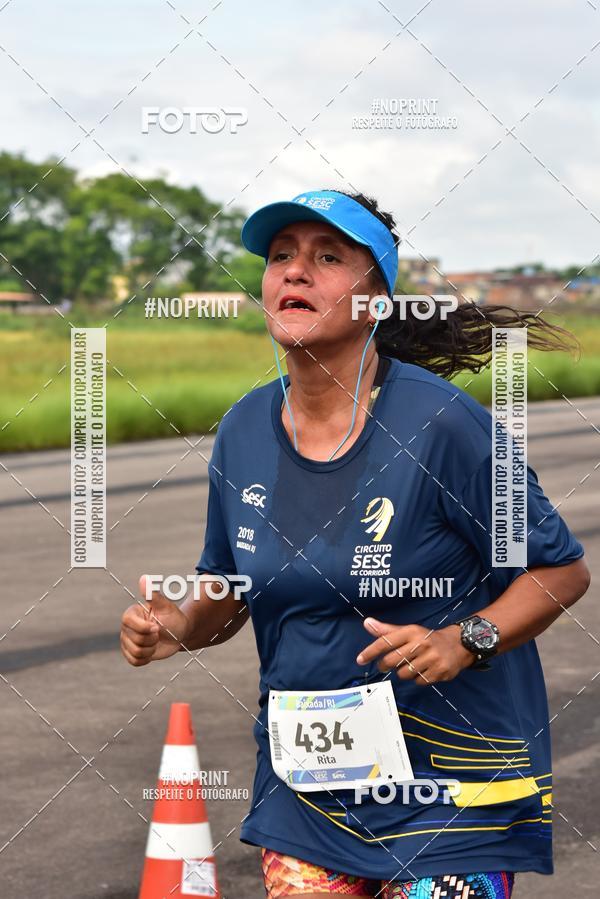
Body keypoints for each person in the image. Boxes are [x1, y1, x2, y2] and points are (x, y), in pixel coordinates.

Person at [120, 189, 591, 899]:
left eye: (327, 257)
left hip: (449, 795)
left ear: (377, 299)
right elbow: (227, 583)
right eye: (281, 256)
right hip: (307, 794)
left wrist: (466, 638)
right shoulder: (243, 429)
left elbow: (560, 568)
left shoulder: (443, 424)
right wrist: (178, 623)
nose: (294, 272)